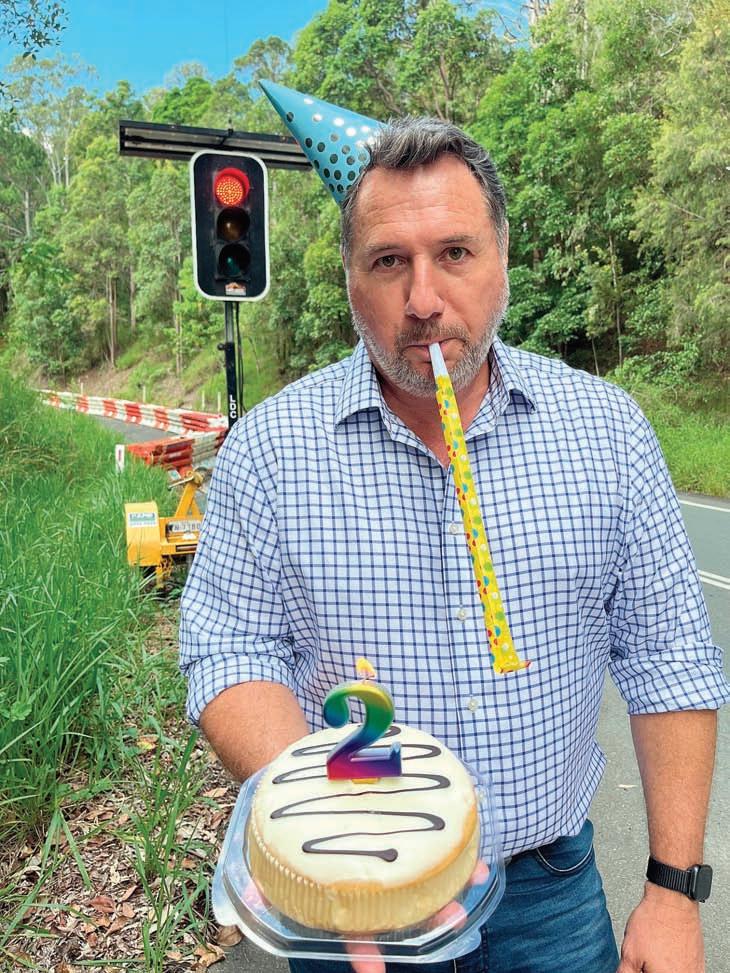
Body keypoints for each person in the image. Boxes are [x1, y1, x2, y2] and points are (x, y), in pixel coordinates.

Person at [179, 117, 728, 973]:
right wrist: (327, 821)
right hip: (350, 891)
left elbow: (671, 660)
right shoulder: (270, 451)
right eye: (388, 261)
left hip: (548, 890)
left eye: (456, 253)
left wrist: (672, 890)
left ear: (502, 260)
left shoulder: (609, 433)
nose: (424, 298)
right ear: (350, 279)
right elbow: (228, 648)